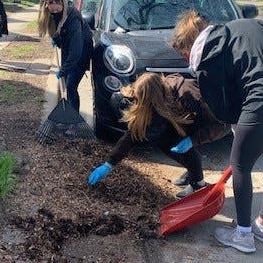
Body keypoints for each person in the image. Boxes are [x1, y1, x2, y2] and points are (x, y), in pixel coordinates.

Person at [171, 10, 263, 253]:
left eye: (184, 55)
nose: (187, 60)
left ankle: (243, 234)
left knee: (240, 165)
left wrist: (240, 126)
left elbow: (223, 111)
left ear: (189, 47)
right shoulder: (246, 24)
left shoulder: (207, 60)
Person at [88, 72, 230, 198]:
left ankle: (198, 184)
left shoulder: (188, 96)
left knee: (181, 145)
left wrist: (193, 140)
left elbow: (221, 125)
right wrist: (109, 163)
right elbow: (133, 134)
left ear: (153, 99)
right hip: (179, 115)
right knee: (163, 139)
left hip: (214, 119)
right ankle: (192, 173)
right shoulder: (153, 98)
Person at [38, 0, 92, 112]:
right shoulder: (52, 16)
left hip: (82, 52)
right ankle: (68, 114)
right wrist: (57, 40)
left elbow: (76, 51)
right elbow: (63, 39)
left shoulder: (73, 19)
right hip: (69, 50)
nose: (55, 13)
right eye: (52, 11)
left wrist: (63, 70)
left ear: (63, 5)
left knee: (70, 86)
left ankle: (74, 119)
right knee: (67, 85)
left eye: (57, 10)